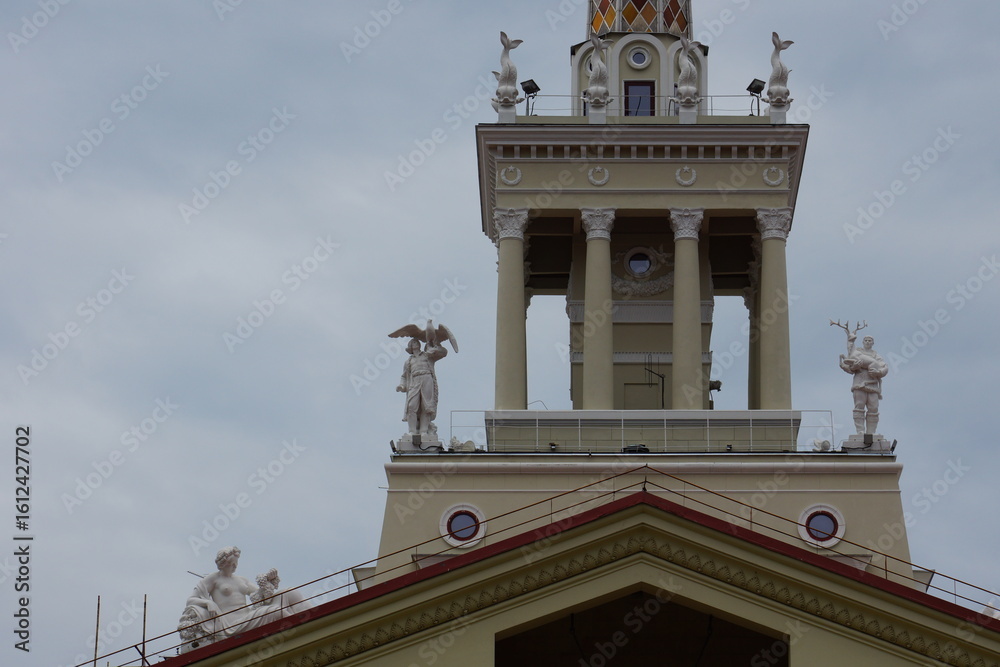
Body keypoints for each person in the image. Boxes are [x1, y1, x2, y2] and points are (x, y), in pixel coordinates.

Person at [177, 547, 305, 652]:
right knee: (275, 611)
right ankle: (305, 631)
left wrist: (268, 580)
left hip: (249, 616)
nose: (234, 567)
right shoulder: (213, 579)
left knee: (290, 593)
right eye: (231, 564)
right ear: (221, 564)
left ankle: (315, 617)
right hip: (232, 625)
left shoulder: (241, 580)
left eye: (236, 564)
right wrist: (208, 602)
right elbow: (191, 600)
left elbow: (261, 597)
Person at [397, 338, 448, 438]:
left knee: (426, 406)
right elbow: (404, 376)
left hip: (427, 378)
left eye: (417, 341)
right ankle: (412, 431)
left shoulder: (427, 355)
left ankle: (423, 431)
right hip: (415, 381)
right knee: (411, 406)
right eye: (413, 342)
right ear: (410, 346)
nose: (416, 343)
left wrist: (436, 347)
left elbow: (444, 353)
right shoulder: (408, 361)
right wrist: (402, 386)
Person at [839, 334, 888, 435]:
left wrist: (878, 373)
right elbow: (849, 369)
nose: (868, 342)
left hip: (873, 385)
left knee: (873, 408)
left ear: (873, 343)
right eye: (866, 340)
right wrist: (854, 367)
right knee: (859, 406)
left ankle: (871, 432)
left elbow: (884, 368)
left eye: (870, 340)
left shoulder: (876, 356)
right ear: (862, 342)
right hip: (859, 383)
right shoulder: (857, 353)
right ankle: (860, 431)